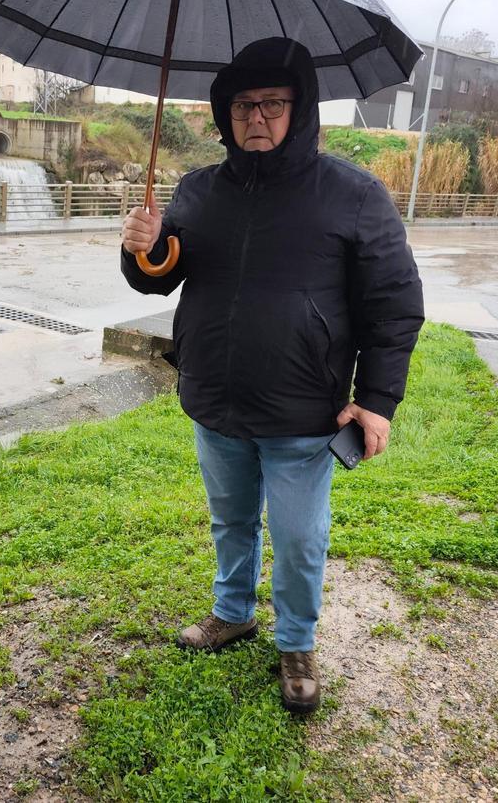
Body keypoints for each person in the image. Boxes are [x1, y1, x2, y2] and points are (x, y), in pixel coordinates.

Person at [120, 36, 424, 714]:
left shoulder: (353, 196)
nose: (255, 117)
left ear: (303, 109)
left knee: (296, 536)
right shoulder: (199, 190)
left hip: (303, 412)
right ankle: (233, 612)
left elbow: (395, 305)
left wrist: (376, 401)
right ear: (225, 114)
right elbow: (160, 275)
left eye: (273, 104)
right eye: (242, 105)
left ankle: (296, 641)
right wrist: (143, 251)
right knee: (230, 521)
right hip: (215, 398)